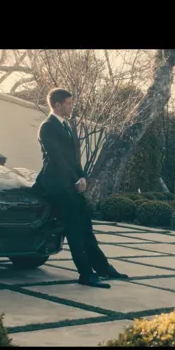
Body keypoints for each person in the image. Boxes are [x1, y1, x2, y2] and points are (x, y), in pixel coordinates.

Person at [33, 88, 128, 288]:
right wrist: (75, 180)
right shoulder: (47, 127)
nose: (71, 107)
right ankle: (86, 274)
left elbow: (73, 157)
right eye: (68, 103)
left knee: (85, 227)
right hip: (56, 186)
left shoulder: (66, 126)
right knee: (74, 230)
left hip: (70, 183)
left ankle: (102, 268)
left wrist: (82, 176)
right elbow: (56, 158)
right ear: (57, 105)